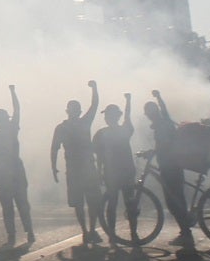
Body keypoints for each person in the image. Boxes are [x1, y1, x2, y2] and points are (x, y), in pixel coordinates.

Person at [50, 79, 103, 244]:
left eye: (76, 110)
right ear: (68, 111)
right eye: (73, 110)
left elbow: (94, 104)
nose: (75, 112)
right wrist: (53, 168)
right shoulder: (63, 127)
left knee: (91, 200)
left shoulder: (82, 123)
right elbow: (54, 149)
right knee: (80, 202)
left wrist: (94, 88)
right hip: (75, 169)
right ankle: (86, 230)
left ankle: (91, 229)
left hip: (85, 167)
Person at [0, 85, 35, 247]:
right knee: (12, 205)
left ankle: (27, 231)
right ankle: (15, 233)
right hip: (6, 171)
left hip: (12, 171)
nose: (7, 119)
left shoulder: (8, 131)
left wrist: (13, 93)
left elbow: (17, 109)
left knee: (20, 203)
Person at [144, 89, 195, 249]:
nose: (147, 115)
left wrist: (151, 152)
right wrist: (159, 97)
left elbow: (165, 145)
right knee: (177, 199)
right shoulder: (164, 120)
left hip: (170, 167)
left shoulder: (162, 125)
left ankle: (186, 233)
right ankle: (185, 232)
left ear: (151, 113)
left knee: (174, 201)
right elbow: (164, 109)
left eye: (148, 112)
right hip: (173, 166)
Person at [93, 93, 135, 244]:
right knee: (127, 202)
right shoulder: (121, 130)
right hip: (124, 171)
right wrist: (128, 101)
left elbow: (98, 157)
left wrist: (99, 173)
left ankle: (114, 235)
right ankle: (132, 234)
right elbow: (128, 117)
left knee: (115, 203)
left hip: (114, 172)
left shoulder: (102, 133)